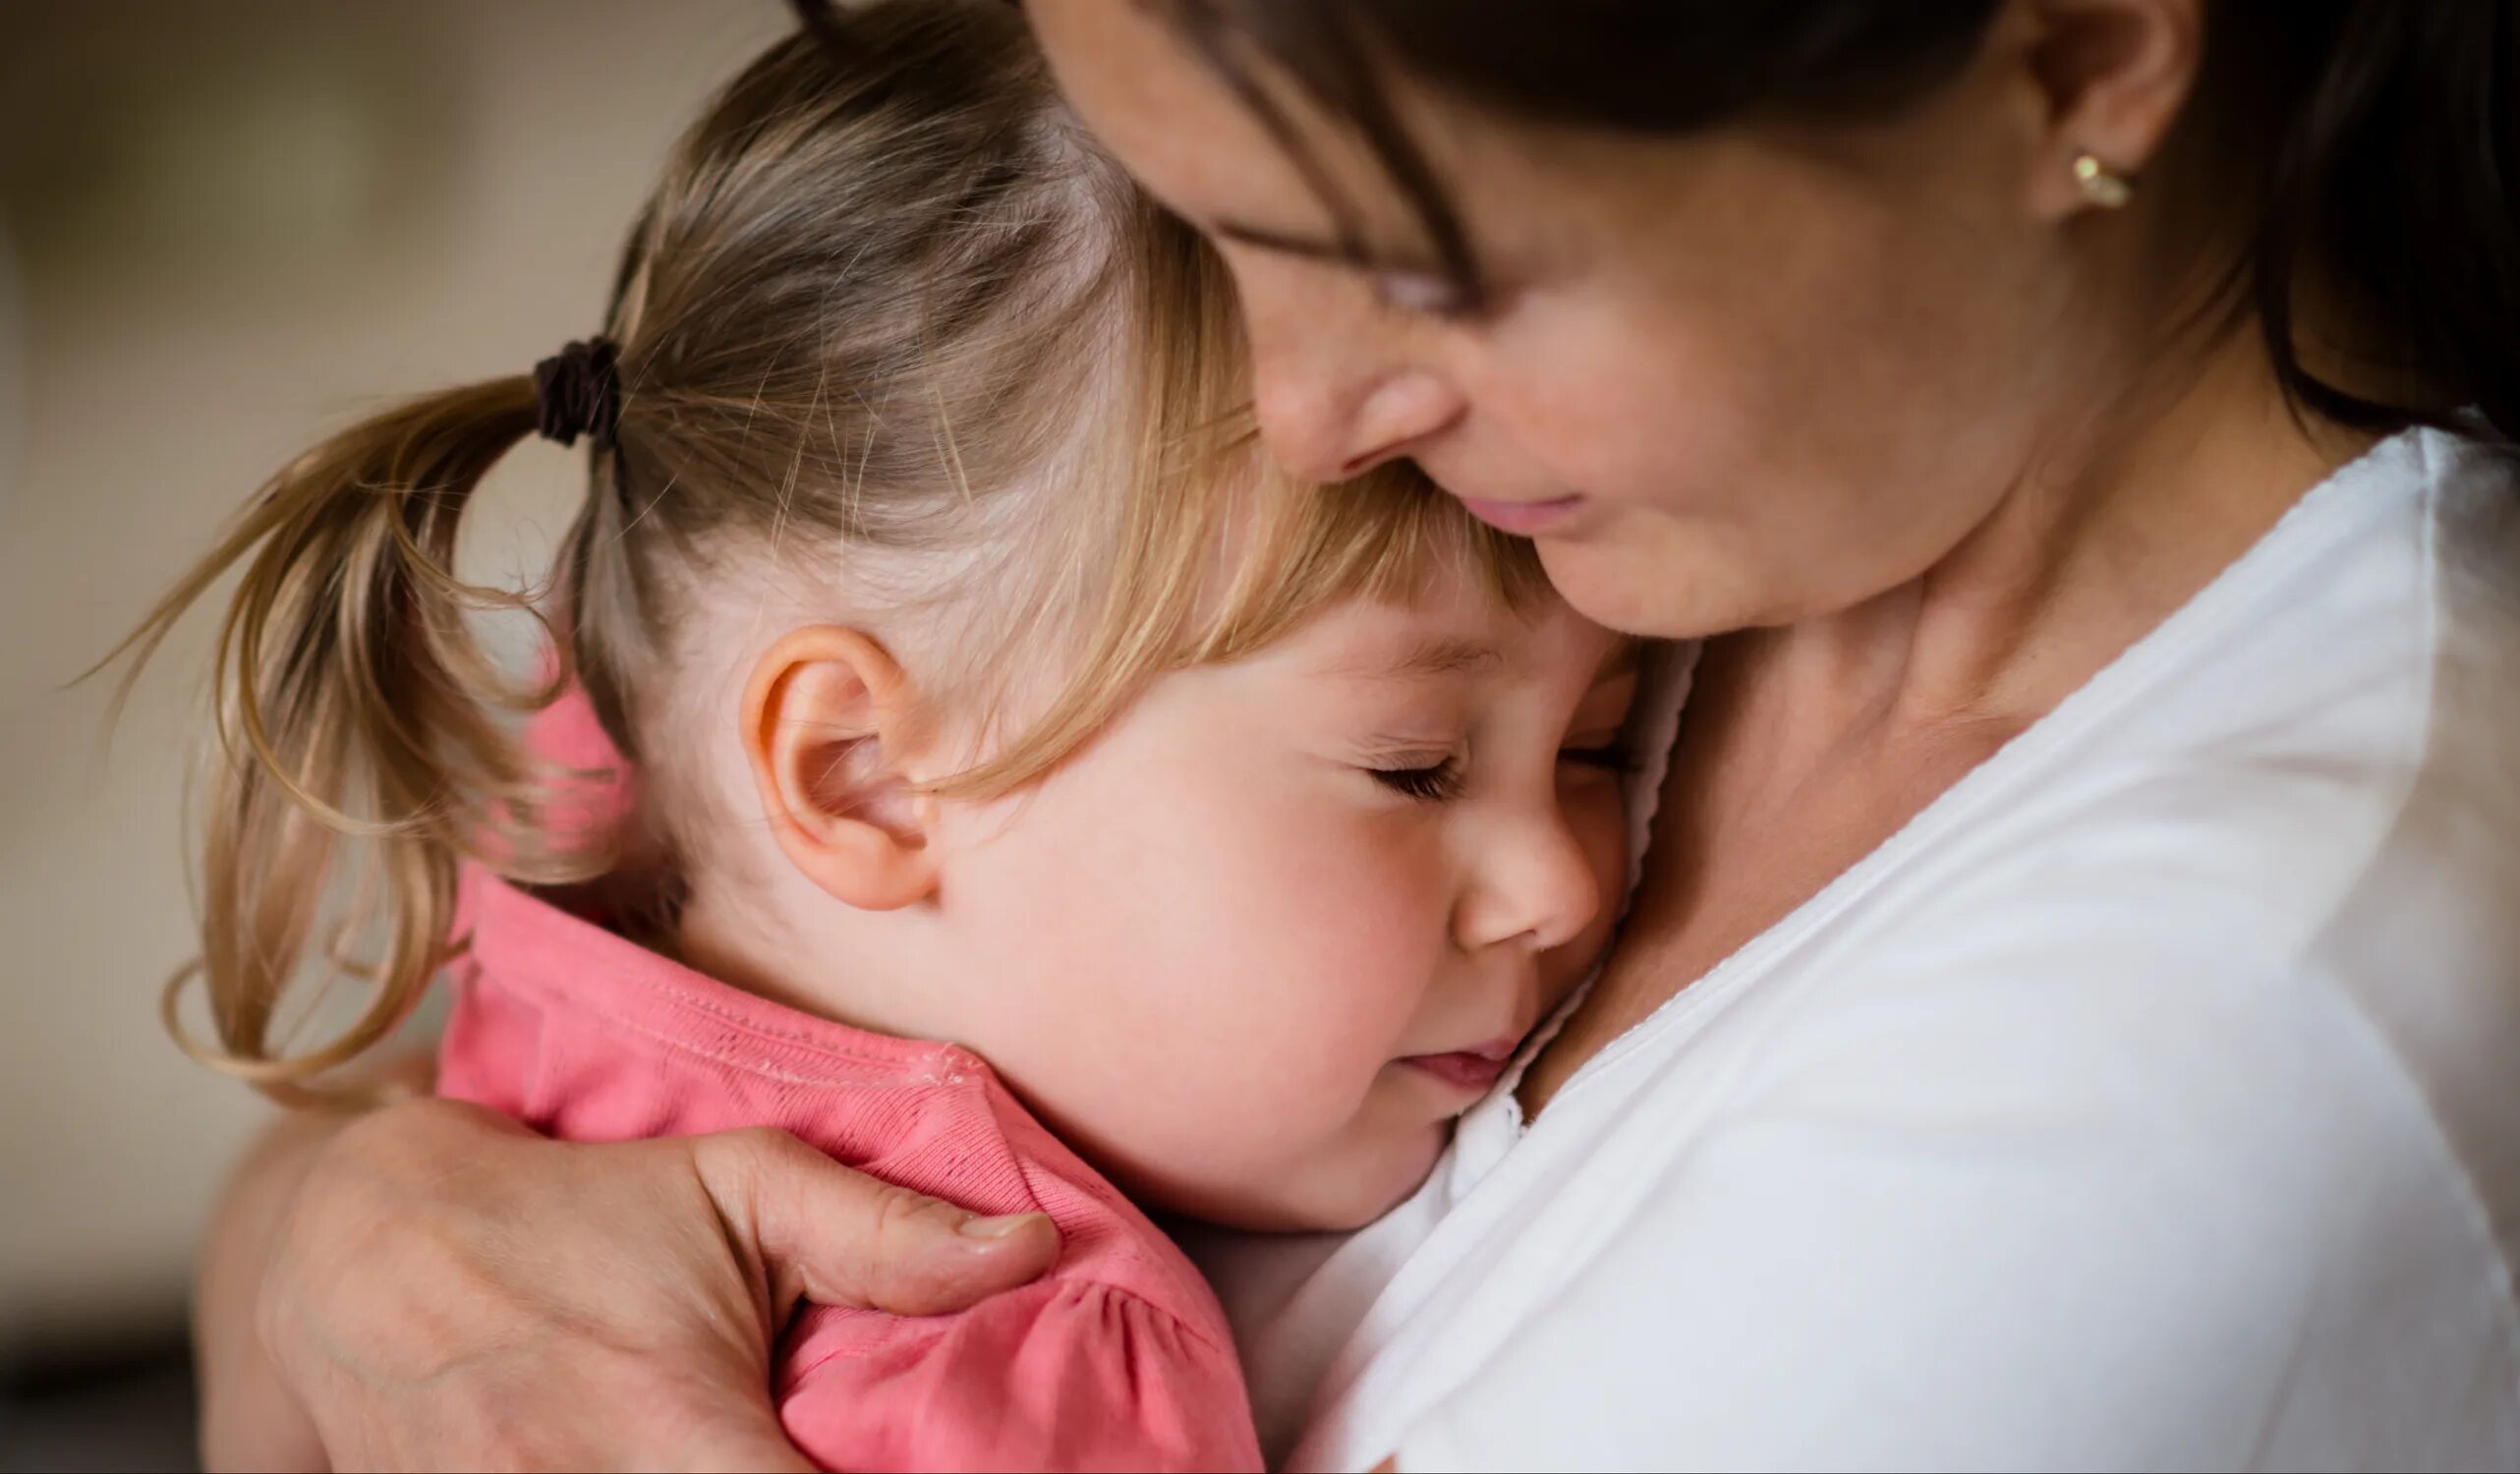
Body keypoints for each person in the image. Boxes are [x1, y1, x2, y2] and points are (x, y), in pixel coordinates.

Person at [190, 0, 2520, 1469]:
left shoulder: (2238, 1036)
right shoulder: (1725, 519)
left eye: (1427, 261)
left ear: (2083, 42)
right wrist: (360, 1224)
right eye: (1226, 239)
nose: (1291, 417)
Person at [120, 5, 1640, 1469]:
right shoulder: (1007, 1372)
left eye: (1599, 743)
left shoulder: (610, 807)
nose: (1565, 883)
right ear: (861, 779)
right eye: (1414, 766)